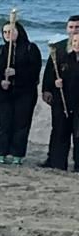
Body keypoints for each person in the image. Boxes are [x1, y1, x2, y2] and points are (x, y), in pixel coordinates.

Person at [0, 20, 41, 165]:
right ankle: (2, 153)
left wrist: (17, 72)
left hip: (25, 92)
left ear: (19, 32)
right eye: (5, 32)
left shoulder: (31, 48)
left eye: (11, 31)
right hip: (4, 93)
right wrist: (0, 81)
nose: (8, 35)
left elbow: (34, 71)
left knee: (21, 124)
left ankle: (17, 154)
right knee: (4, 123)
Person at [41, 16, 79, 171]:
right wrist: (48, 89)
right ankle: (56, 163)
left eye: (77, 27)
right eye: (71, 27)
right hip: (61, 98)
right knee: (59, 131)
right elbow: (50, 71)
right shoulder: (59, 50)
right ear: (66, 29)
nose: (74, 30)